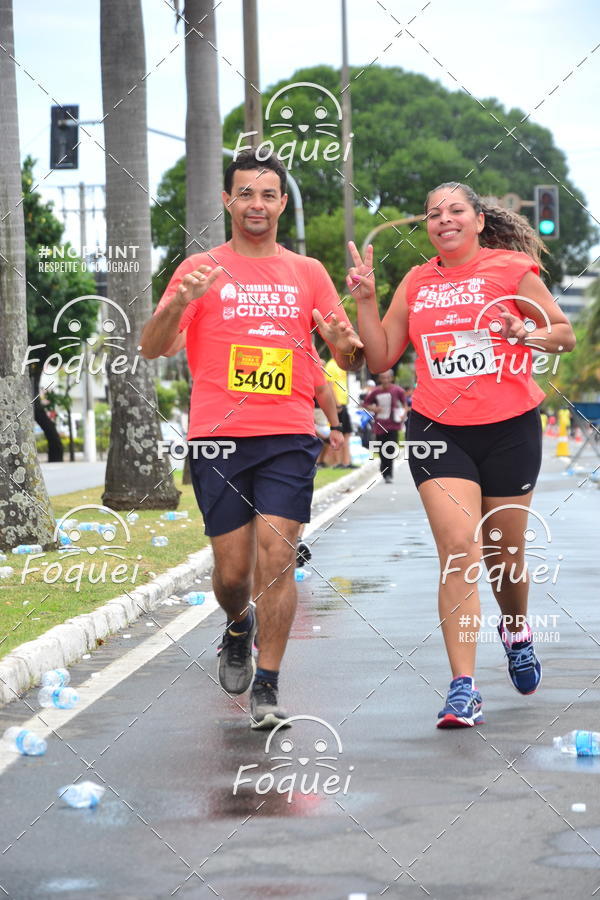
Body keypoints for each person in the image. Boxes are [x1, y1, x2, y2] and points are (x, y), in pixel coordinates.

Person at [328, 181, 575, 729]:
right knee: (459, 548)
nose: (443, 220)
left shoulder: (511, 270)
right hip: (440, 430)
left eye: (455, 211)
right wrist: (366, 300)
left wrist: (524, 331)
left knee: (503, 556)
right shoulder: (416, 282)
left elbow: (563, 334)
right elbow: (382, 353)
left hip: (510, 428)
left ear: (478, 220)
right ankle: (463, 687)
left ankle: (515, 630)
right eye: (433, 214)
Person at [140, 149, 363, 730]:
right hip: (217, 435)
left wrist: (347, 332)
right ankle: (238, 624)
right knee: (233, 571)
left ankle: (268, 685)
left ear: (282, 203)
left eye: (268, 194)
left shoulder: (307, 273)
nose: (256, 204)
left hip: (287, 434)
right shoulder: (200, 269)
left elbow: (348, 354)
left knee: (278, 553)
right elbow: (154, 346)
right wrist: (182, 303)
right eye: (246, 193)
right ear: (227, 201)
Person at [363, 369, 407, 483]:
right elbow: (365, 404)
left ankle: (389, 474)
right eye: (383, 377)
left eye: (388, 377)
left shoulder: (398, 390)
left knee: (391, 449)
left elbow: (405, 405)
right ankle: (384, 467)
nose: (385, 380)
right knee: (382, 450)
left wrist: (403, 415)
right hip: (380, 425)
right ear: (379, 379)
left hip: (393, 425)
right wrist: (374, 408)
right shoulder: (376, 392)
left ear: (391, 378)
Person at [324, 355, 355, 468]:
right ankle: (338, 462)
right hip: (338, 404)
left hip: (343, 403)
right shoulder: (331, 365)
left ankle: (346, 461)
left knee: (347, 433)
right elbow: (329, 386)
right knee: (339, 433)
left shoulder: (342, 365)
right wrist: (336, 403)